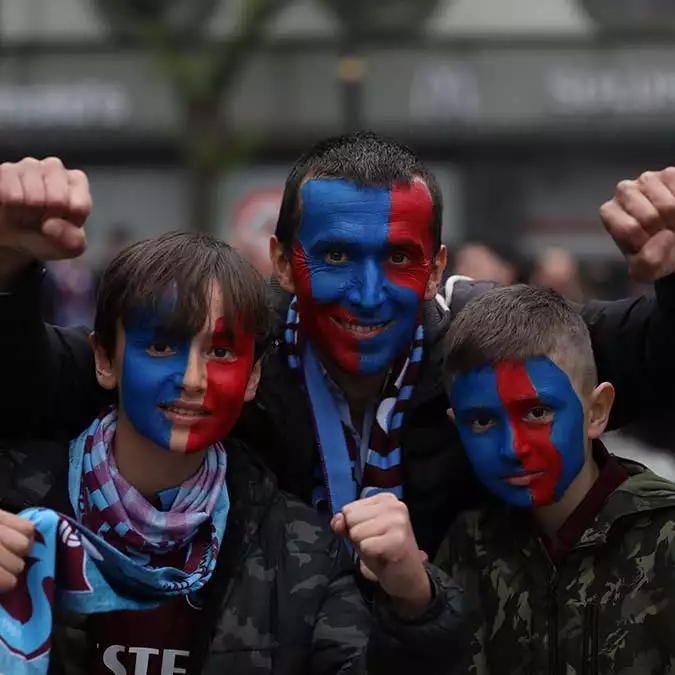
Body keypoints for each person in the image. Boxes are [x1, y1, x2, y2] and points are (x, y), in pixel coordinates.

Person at [4, 141, 675, 560]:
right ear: (282, 263)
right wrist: (8, 263)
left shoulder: (494, 344)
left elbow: (655, 359)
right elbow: (32, 387)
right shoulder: (226, 345)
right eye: (332, 254)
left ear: (436, 265)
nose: (365, 292)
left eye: (399, 257)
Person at [0, 232, 464, 675]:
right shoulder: (14, 502)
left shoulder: (300, 551)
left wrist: (414, 602)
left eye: (221, 351)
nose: (192, 379)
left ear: (253, 377)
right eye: (161, 346)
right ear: (104, 359)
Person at [437, 284, 675, 674]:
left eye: (537, 413)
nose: (512, 448)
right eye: (482, 421)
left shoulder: (665, 539)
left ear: (597, 411)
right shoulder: (468, 546)